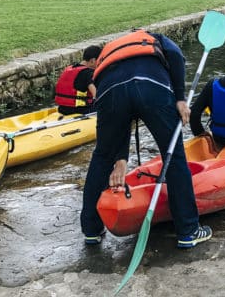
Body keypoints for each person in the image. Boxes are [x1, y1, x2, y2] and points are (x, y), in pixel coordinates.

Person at [80, 29, 211, 249]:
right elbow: (176, 56)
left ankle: (91, 230)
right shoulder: (156, 37)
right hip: (151, 87)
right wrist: (180, 98)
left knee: (102, 156)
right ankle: (188, 231)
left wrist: (119, 158)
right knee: (174, 155)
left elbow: (121, 109)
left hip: (109, 92)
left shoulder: (109, 50)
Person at [54, 45, 101, 115]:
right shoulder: (88, 73)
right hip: (79, 110)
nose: (101, 64)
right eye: (100, 60)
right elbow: (97, 95)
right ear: (93, 61)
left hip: (62, 109)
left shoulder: (70, 68)